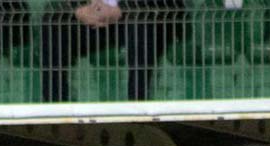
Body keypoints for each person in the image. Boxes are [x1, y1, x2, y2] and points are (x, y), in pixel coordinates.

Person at [41, 0, 183, 102]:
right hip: (96, 18)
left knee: (141, 26)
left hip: (141, 17)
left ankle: (138, 106)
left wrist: (121, 8)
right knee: (53, 22)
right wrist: (78, 10)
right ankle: (55, 105)